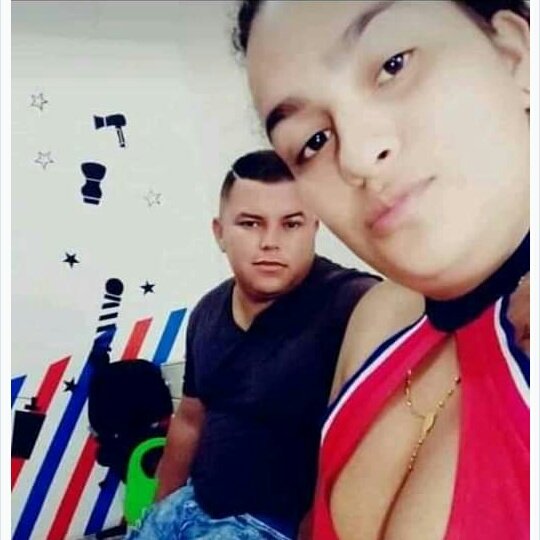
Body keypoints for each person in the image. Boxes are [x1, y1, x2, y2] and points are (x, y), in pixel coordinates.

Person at [236, 1, 530, 539]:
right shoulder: (378, 319)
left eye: (393, 65)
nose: (356, 157)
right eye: (312, 142)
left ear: (516, 55)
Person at [125, 149, 379, 539]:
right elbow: (190, 421)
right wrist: (159, 512)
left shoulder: (356, 305)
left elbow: (376, 449)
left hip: (271, 526)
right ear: (220, 233)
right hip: (190, 506)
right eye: (250, 223)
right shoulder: (207, 310)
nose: (270, 242)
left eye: (291, 224)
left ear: (314, 227)